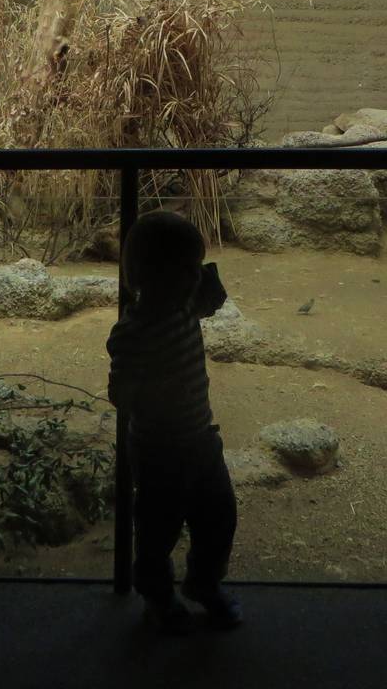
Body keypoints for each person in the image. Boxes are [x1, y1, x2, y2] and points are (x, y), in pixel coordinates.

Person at [106, 210, 242, 633]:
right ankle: (158, 595)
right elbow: (120, 394)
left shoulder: (182, 305)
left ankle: (202, 583)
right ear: (153, 275)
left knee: (219, 514)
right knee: (157, 529)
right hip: (159, 448)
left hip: (200, 439)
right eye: (185, 268)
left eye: (194, 267)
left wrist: (198, 273)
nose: (194, 276)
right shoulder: (134, 330)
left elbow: (213, 295)